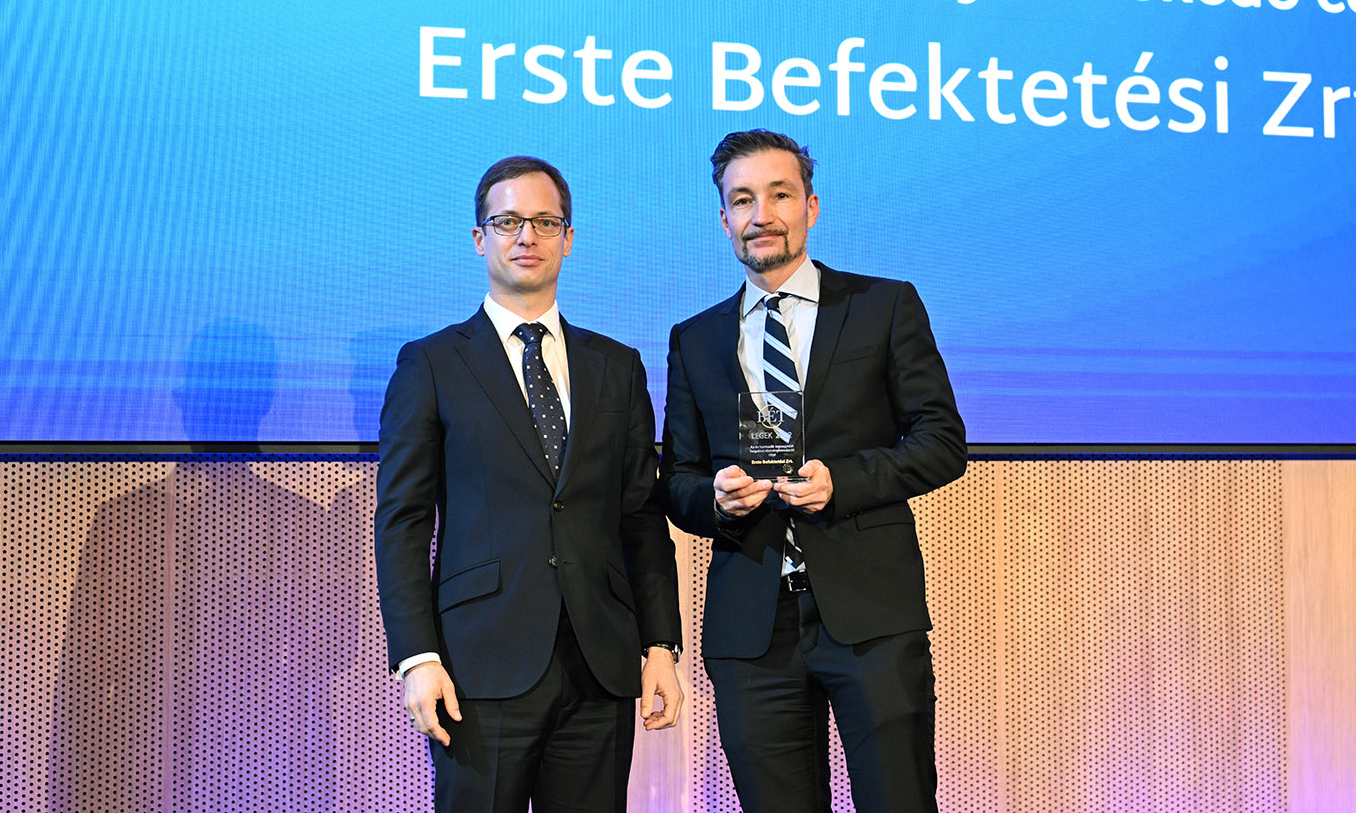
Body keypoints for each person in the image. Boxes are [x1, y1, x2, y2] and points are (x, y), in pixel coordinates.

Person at [659, 130, 966, 813]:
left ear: (811, 206)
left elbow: (943, 441)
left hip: (871, 615)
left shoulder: (883, 306)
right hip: (751, 627)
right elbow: (677, 481)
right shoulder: (695, 339)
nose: (761, 215)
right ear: (723, 219)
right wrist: (715, 499)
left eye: (779, 195)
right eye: (743, 200)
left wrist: (843, 482)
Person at [375, 156, 684, 813]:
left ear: (568, 238)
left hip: (599, 667)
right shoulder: (432, 363)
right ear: (479, 237)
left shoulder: (617, 366)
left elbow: (640, 518)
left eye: (545, 222)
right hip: (478, 666)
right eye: (508, 221)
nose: (526, 236)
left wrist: (660, 645)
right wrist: (417, 657)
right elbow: (403, 521)